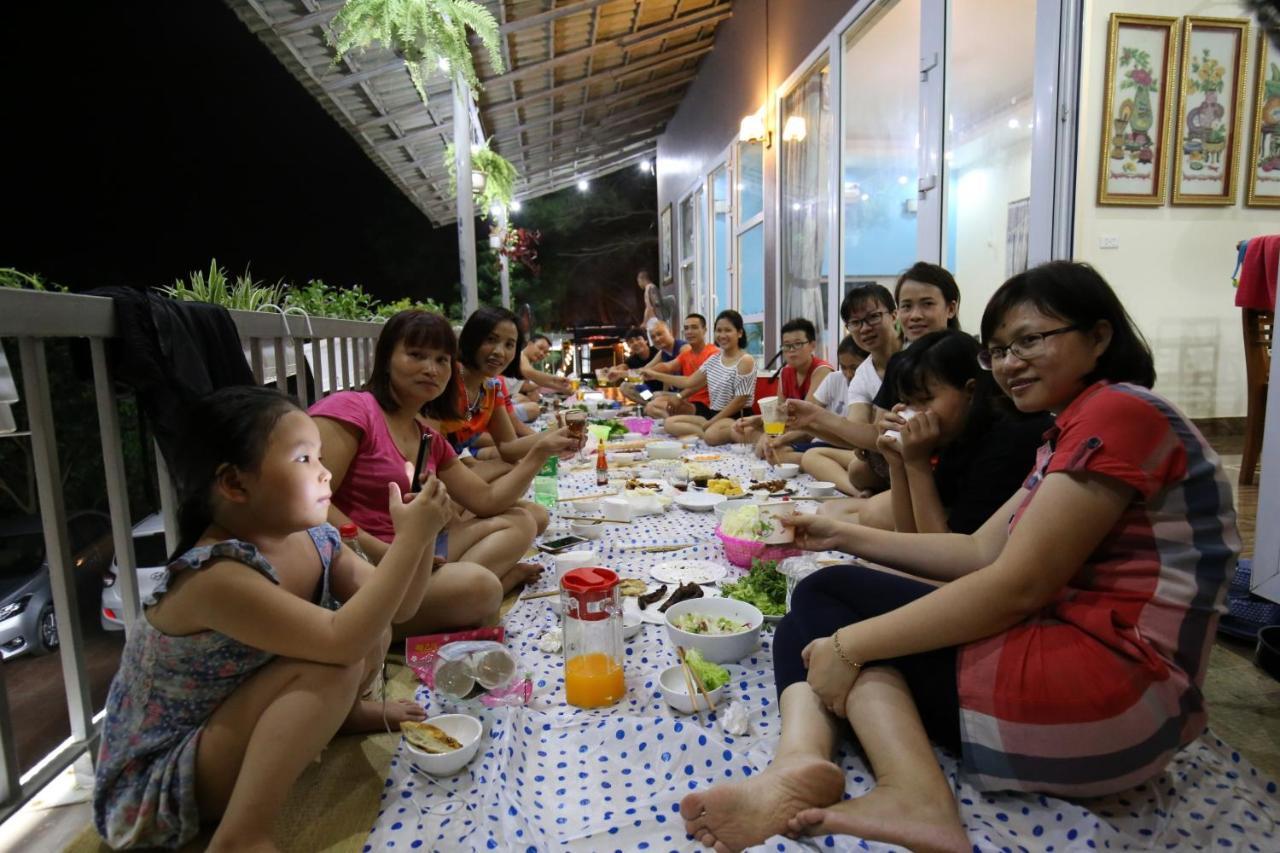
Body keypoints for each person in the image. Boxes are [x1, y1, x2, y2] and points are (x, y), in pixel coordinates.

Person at [680, 261, 1240, 853]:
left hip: (1113, 700)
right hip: (1093, 680)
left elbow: (1014, 587)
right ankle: (799, 767)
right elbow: (977, 551)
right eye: (998, 349)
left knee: (835, 607)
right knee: (818, 602)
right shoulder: (1068, 429)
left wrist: (852, 644)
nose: (1009, 363)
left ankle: (914, 795)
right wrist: (834, 535)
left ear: (1099, 337)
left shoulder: (1119, 414)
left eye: (1029, 341)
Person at [94, 386, 450, 850]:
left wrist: (421, 538)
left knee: (372, 622)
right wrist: (408, 541)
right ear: (235, 484)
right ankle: (242, 835)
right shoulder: (216, 574)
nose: (325, 474)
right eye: (304, 460)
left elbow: (399, 606)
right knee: (336, 658)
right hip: (164, 778)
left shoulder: (315, 538)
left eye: (320, 458)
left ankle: (343, 715)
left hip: (231, 723)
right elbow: (341, 641)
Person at [312, 311, 577, 601]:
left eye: (441, 360)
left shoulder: (428, 436)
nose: (431, 369)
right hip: (361, 571)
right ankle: (476, 590)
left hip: (416, 553)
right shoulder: (352, 410)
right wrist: (387, 554)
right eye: (416, 355)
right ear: (386, 358)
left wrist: (541, 450)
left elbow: (487, 500)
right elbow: (312, 504)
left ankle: (452, 593)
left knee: (523, 521)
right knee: (482, 587)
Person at [875, 329, 1051, 534]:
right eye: (906, 402)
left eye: (924, 400)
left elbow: (941, 555)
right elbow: (907, 539)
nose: (912, 413)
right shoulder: (958, 434)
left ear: (970, 390)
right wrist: (897, 463)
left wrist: (916, 463)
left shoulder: (1011, 438)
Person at [794, 284, 902, 500]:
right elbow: (858, 433)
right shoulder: (863, 374)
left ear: (894, 315)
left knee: (855, 472)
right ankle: (861, 495)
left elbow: (875, 437)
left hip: (916, 459)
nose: (864, 328)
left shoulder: (913, 358)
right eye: (855, 322)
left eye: (873, 317)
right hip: (884, 460)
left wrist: (815, 417)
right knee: (855, 470)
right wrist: (803, 422)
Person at [642, 309, 756, 445]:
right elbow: (689, 381)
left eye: (728, 330)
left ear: (739, 333)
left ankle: (722, 433)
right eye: (719, 331)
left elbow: (740, 401)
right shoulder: (714, 359)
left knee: (711, 435)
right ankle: (711, 433)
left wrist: (712, 422)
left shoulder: (745, 360)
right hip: (713, 413)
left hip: (736, 416)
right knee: (669, 423)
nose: (722, 335)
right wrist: (655, 375)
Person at [732, 318, 834, 464]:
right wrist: (759, 419)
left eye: (798, 344)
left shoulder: (822, 371)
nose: (791, 351)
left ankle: (822, 463)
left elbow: (808, 419)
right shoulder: (786, 372)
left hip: (815, 433)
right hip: (792, 428)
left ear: (812, 345)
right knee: (738, 429)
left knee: (773, 453)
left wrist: (772, 436)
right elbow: (778, 412)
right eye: (787, 346)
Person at [642, 314, 718, 419]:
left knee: (654, 403)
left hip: (705, 406)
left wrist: (679, 396)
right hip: (686, 398)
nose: (689, 332)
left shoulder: (710, 353)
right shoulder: (682, 354)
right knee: (641, 396)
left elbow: (692, 383)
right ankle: (674, 421)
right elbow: (666, 367)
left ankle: (675, 421)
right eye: (686, 328)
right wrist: (640, 373)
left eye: (694, 327)